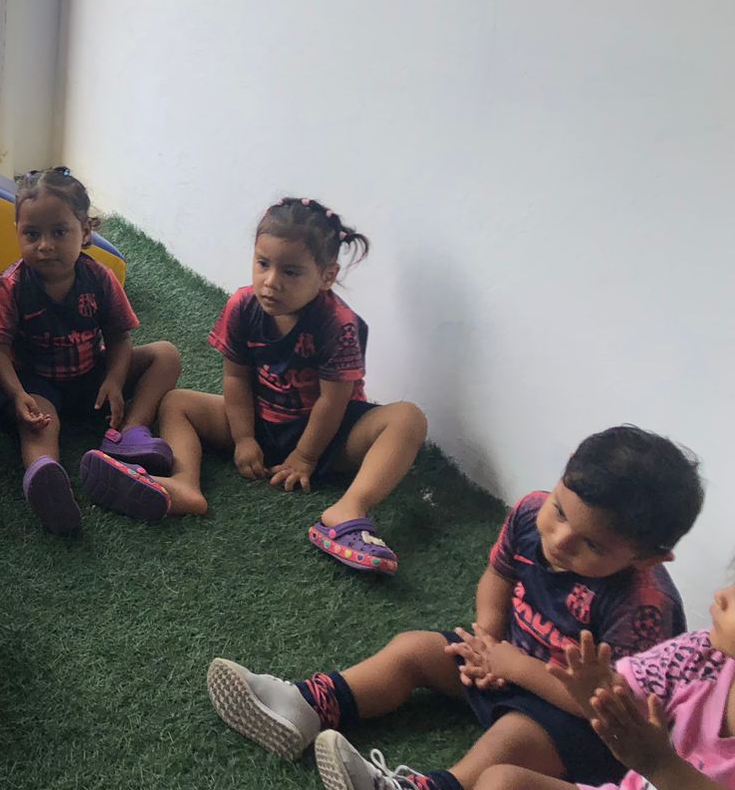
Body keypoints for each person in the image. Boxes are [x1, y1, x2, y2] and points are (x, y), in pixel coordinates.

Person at [207, 426, 705, 790]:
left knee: (510, 740)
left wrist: (512, 664)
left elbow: (607, 706)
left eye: (591, 545)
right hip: (505, 662)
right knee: (415, 649)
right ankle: (305, 706)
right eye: (560, 511)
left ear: (648, 557)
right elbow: (499, 576)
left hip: (578, 724)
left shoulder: (644, 606)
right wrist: (487, 635)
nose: (560, 539)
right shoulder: (530, 511)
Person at [96, 196, 426, 571]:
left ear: (327, 276)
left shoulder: (339, 324)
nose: (271, 282)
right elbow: (236, 377)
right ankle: (185, 484)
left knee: (407, 418)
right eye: (263, 264)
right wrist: (244, 438)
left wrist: (305, 457)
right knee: (176, 403)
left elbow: (333, 402)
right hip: (262, 421)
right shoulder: (242, 305)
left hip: (329, 436)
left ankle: (347, 510)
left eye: (291, 272)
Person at [0, 166, 183, 533]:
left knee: (166, 354)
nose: (45, 245)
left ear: (85, 231)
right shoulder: (11, 286)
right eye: (32, 234)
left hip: (92, 375)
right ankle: (45, 477)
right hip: (37, 383)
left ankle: (130, 433)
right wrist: (17, 394)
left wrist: (115, 380)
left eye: (59, 232)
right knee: (40, 424)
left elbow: (119, 337)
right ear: (17, 232)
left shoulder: (99, 277)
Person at [478, 579, 735, 790]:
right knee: (502, 782)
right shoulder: (702, 654)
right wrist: (604, 694)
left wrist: (660, 765)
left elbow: (656, 763)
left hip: (657, 769)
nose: (722, 595)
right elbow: (634, 704)